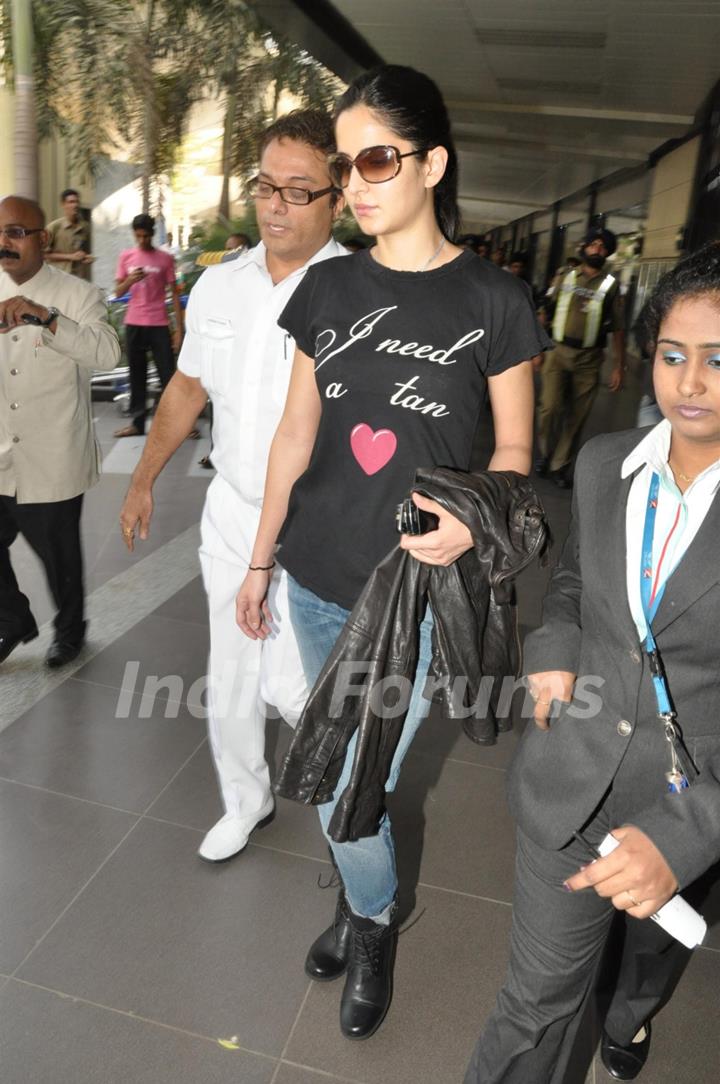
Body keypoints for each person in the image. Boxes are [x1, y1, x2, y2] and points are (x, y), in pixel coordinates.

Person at [235, 64, 549, 1041]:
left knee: (347, 789)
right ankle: (356, 897)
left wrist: (473, 523)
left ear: (432, 163)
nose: (356, 181)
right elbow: (295, 434)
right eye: (346, 163)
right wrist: (257, 560)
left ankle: (371, 922)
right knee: (343, 783)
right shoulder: (328, 286)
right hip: (318, 574)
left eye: (376, 157)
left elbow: (515, 454)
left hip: (416, 595)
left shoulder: (496, 302)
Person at [465, 243, 720, 1084]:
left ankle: (634, 1011)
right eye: (673, 356)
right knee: (532, 1005)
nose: (690, 383)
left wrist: (691, 837)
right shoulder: (609, 464)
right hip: (570, 782)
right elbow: (572, 580)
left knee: (647, 959)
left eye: (719, 361)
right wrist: (554, 650)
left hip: (689, 804)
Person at [119, 109, 348, 862]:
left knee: (292, 685)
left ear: (336, 198)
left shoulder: (358, 293)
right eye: (266, 186)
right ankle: (245, 803)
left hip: (316, 523)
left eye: (298, 189)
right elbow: (187, 392)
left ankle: (349, 795)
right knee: (230, 671)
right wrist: (143, 480)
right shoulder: (220, 284)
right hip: (232, 514)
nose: (276, 204)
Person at [0, 196, 120, 667]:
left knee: (59, 559)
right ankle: (12, 619)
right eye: (0, 234)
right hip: (1, 454)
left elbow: (107, 354)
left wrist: (47, 318)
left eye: (15, 232)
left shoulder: (77, 295)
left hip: (51, 457)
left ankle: (70, 631)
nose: (5, 243)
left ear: (43, 240)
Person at [535, 227, 626, 487]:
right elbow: (545, 311)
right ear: (584, 248)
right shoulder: (565, 276)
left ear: (607, 252)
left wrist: (619, 365)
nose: (597, 249)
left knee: (577, 415)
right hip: (557, 351)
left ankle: (559, 465)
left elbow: (618, 327)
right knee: (550, 407)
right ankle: (545, 453)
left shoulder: (611, 285)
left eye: (602, 246)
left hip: (590, 358)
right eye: (593, 244)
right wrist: (536, 348)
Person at [113, 213, 188, 439]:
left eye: (146, 236)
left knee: (168, 375)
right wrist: (130, 280)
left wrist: (179, 329)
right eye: (139, 236)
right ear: (134, 235)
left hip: (158, 323)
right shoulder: (126, 256)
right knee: (137, 375)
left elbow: (174, 294)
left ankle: (181, 424)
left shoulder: (165, 259)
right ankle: (137, 423)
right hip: (134, 323)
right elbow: (118, 292)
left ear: (152, 234)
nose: (143, 240)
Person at [44, 188, 94, 281]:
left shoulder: (85, 227)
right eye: (71, 202)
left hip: (79, 278)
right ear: (63, 204)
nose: (75, 205)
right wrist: (70, 257)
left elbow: (87, 252)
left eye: (77, 202)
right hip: (58, 278)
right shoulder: (54, 227)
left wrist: (87, 258)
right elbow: (43, 255)